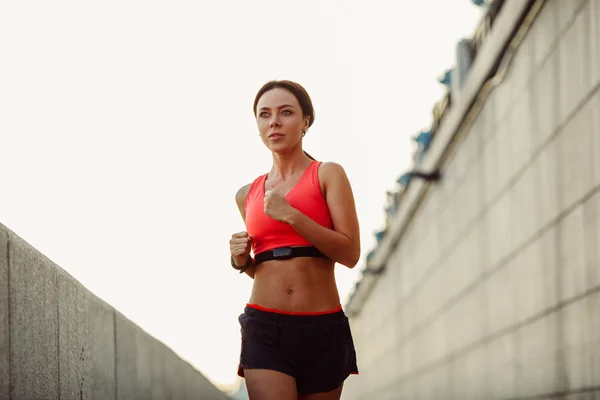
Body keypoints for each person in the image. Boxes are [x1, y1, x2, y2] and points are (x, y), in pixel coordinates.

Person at [229, 80, 360, 400]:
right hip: (265, 327)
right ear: (258, 125)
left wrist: (293, 216)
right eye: (264, 114)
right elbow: (268, 266)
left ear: (305, 122)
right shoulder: (247, 194)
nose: (273, 121)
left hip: (323, 328)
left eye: (285, 112)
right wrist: (241, 261)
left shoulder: (328, 174)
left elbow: (349, 253)